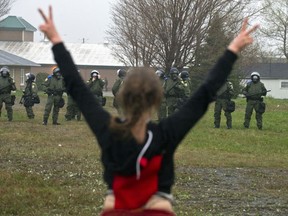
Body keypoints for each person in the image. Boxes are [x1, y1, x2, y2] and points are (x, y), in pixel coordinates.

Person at [38, 6, 258, 215]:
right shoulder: (166, 134)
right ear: (156, 99)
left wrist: (56, 40)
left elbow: (77, 87)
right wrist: (233, 49)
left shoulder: (109, 131)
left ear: (122, 97)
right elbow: (205, 92)